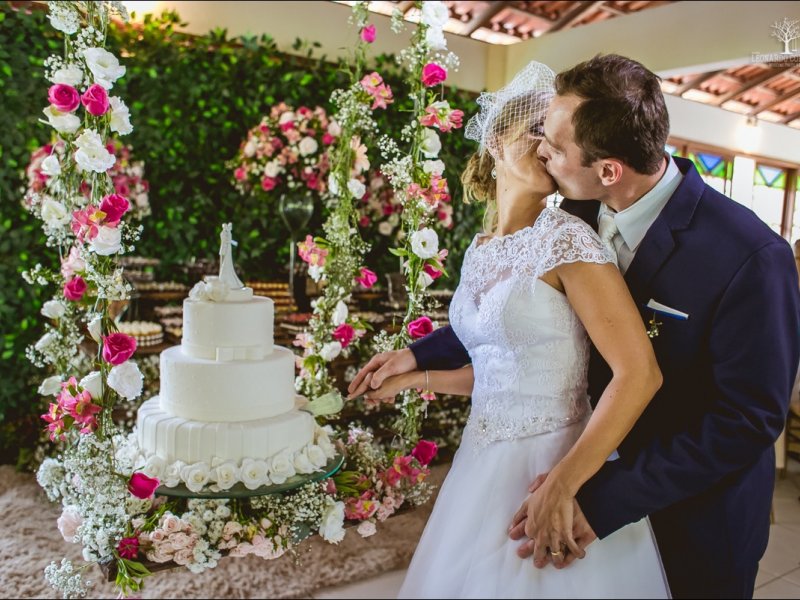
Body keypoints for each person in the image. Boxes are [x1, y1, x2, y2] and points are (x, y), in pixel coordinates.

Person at [349, 54, 800, 599]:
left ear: (608, 168)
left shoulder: (750, 255)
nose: (543, 150)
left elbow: (746, 419)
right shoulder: (575, 208)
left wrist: (590, 490)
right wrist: (420, 357)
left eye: (554, 145)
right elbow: (523, 315)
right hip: (562, 464)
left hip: (691, 516)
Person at [352, 61, 670, 598]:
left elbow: (638, 372)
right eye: (534, 131)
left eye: (552, 133)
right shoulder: (479, 250)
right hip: (480, 461)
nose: (546, 145)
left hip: (553, 461)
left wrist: (566, 483)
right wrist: (414, 378)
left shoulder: (570, 242)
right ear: (496, 141)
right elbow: (505, 375)